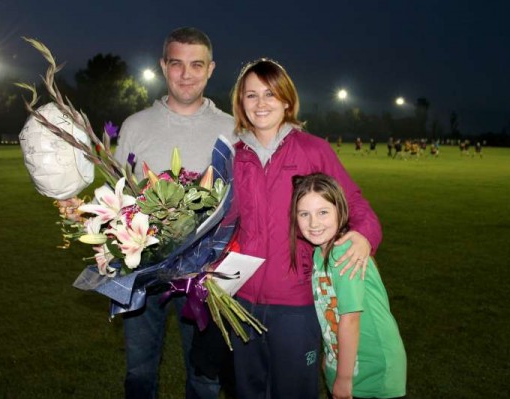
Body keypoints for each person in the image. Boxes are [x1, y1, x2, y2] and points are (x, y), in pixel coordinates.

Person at [228, 58, 382, 398]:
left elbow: (354, 202)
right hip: (241, 302)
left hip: (296, 303)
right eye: (251, 95)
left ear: (286, 100)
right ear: (241, 103)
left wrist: (365, 236)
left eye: (270, 94)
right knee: (246, 392)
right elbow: (219, 223)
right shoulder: (232, 157)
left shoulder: (314, 149)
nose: (261, 103)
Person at [113, 27, 236, 399]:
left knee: (204, 376)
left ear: (211, 69)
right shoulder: (135, 125)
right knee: (138, 372)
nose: (186, 74)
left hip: (204, 277)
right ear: (163, 66)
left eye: (196, 65)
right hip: (143, 274)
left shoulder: (232, 129)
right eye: (177, 64)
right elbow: (117, 195)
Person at [290, 173, 406, 399]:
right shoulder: (317, 254)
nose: (314, 223)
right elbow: (329, 309)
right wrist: (332, 356)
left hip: (374, 369)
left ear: (340, 211)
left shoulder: (343, 253)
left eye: (323, 212)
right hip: (347, 363)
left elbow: (350, 318)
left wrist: (343, 378)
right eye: (304, 214)